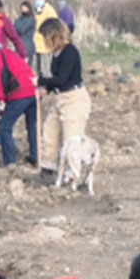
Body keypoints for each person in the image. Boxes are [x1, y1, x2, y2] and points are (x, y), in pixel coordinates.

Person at [36, 18, 86, 176]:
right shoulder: (56, 53)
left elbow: (62, 79)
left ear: (53, 35)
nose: (44, 41)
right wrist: (46, 88)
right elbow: (57, 78)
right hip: (60, 98)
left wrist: (39, 80)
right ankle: (48, 166)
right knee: (49, 131)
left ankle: (72, 174)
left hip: (74, 99)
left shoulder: (70, 51)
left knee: (72, 139)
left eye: (45, 37)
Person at [0, 43, 38, 169]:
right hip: (33, 90)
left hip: (20, 93)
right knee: (32, 125)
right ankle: (35, 156)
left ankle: (9, 161)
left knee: (5, 126)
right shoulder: (11, 54)